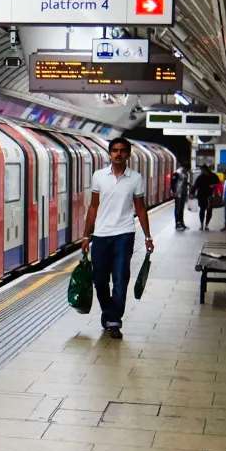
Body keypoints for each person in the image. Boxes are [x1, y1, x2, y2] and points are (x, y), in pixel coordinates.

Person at [81, 137, 154, 339]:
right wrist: (86, 235)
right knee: (100, 280)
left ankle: (114, 320)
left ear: (128, 154)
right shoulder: (99, 176)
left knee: (121, 279)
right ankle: (108, 312)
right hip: (101, 235)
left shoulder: (135, 178)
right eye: (115, 150)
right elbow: (93, 206)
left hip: (124, 234)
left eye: (122, 150)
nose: (118, 154)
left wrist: (148, 236)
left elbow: (140, 208)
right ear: (110, 154)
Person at [191, 164, 220, 230]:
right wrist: (192, 193)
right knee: (202, 210)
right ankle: (201, 224)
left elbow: (218, 184)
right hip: (201, 196)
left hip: (210, 196)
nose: (201, 171)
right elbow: (195, 185)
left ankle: (206, 225)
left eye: (202, 170)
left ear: (205, 170)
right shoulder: (200, 177)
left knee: (209, 211)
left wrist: (214, 186)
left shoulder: (213, 176)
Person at [170, 165, 188, 231]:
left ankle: (182, 222)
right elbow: (172, 183)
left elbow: (184, 183)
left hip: (183, 193)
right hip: (178, 193)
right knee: (178, 209)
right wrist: (174, 191)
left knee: (181, 209)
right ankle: (177, 223)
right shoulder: (177, 173)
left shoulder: (184, 173)